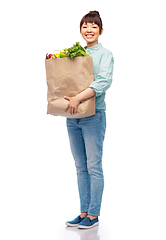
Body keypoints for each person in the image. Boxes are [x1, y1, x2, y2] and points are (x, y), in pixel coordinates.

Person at [64, 10, 114, 229]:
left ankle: (93, 215)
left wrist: (77, 97)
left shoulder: (105, 54)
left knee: (93, 166)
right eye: (85, 26)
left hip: (94, 115)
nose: (89, 30)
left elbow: (102, 83)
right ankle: (83, 211)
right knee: (80, 166)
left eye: (94, 27)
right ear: (80, 30)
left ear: (100, 31)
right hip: (73, 115)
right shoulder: (76, 54)